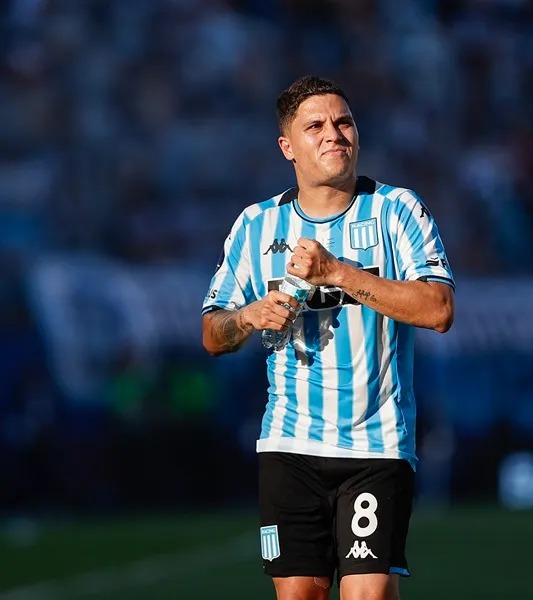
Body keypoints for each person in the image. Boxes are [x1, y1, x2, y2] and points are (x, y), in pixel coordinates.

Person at [200, 75, 455, 600]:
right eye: (315, 126)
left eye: (343, 122)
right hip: (288, 444)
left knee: (369, 595)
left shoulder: (396, 210)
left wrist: (339, 273)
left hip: (376, 445)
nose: (333, 134)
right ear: (287, 147)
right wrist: (248, 315)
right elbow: (212, 333)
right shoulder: (255, 225)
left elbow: (439, 309)